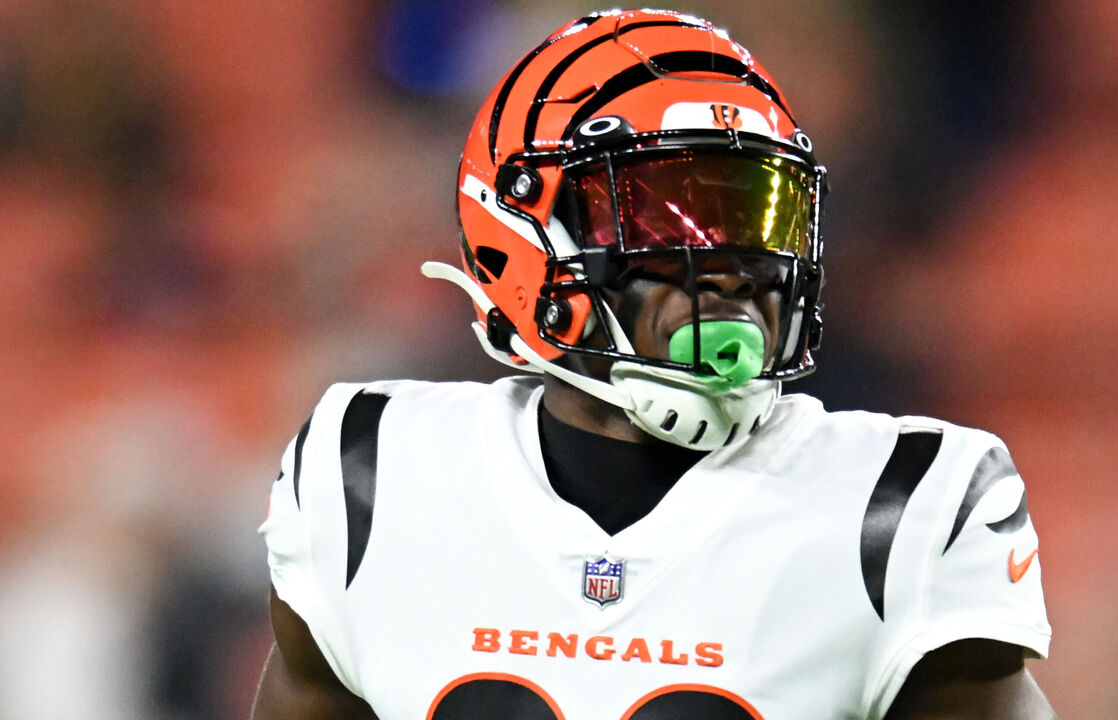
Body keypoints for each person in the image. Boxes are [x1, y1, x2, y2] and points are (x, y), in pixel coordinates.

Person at [251, 9, 1054, 720]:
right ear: (524, 237)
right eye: (664, 215)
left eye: (758, 212)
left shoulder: (902, 512)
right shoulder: (369, 476)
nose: (734, 264)